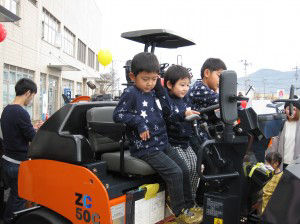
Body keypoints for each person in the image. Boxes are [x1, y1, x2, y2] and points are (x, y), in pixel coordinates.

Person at [113, 52, 202, 223]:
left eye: (154, 79)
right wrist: (138, 122)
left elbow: (167, 110)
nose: (149, 83)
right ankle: (180, 211)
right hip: (145, 147)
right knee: (175, 172)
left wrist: (160, 88)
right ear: (133, 76)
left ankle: (190, 205)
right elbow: (118, 115)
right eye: (145, 79)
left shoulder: (154, 92)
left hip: (162, 142)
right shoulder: (131, 93)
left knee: (183, 168)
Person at [1, 78, 42, 224]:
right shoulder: (21, 113)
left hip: (6, 161)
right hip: (18, 165)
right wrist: (37, 131)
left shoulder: (6, 110)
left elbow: (16, 133)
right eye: (32, 96)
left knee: (14, 195)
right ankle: (9, 221)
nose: (31, 100)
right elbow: (33, 138)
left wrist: (32, 128)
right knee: (18, 198)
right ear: (28, 93)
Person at [161, 65, 199, 199]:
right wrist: (183, 114)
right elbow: (168, 118)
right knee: (185, 169)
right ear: (170, 84)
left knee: (195, 167)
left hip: (185, 142)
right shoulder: (165, 100)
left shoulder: (185, 99)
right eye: (182, 85)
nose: (186, 89)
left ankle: (191, 197)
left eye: (188, 85)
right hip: (172, 143)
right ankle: (177, 198)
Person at [188, 58, 227, 145]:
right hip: (196, 129)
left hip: (204, 125)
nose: (221, 81)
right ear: (207, 73)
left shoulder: (207, 89)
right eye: (219, 76)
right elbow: (222, 100)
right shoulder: (200, 88)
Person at [268, 98, 300, 170]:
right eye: (288, 109)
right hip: (283, 162)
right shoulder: (282, 124)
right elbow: (275, 143)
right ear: (285, 110)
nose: (291, 112)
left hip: (296, 164)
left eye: (294, 109)